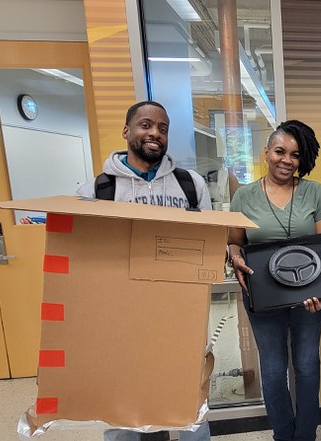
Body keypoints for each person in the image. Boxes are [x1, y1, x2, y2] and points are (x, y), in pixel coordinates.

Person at [77, 100, 212, 441]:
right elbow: (83, 257)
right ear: (127, 131)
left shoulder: (191, 185)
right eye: (146, 125)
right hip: (121, 317)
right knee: (121, 404)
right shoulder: (97, 191)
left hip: (180, 314)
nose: (155, 133)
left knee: (190, 400)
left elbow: (210, 243)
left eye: (162, 129)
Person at [227, 120, 321, 441]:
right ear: (266, 153)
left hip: (308, 295)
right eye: (279, 151)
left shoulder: (314, 192)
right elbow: (234, 242)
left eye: (295, 154)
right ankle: (284, 436)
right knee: (273, 370)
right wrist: (234, 256)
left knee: (307, 366)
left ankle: (306, 436)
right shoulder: (244, 196)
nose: (287, 160)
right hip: (263, 295)